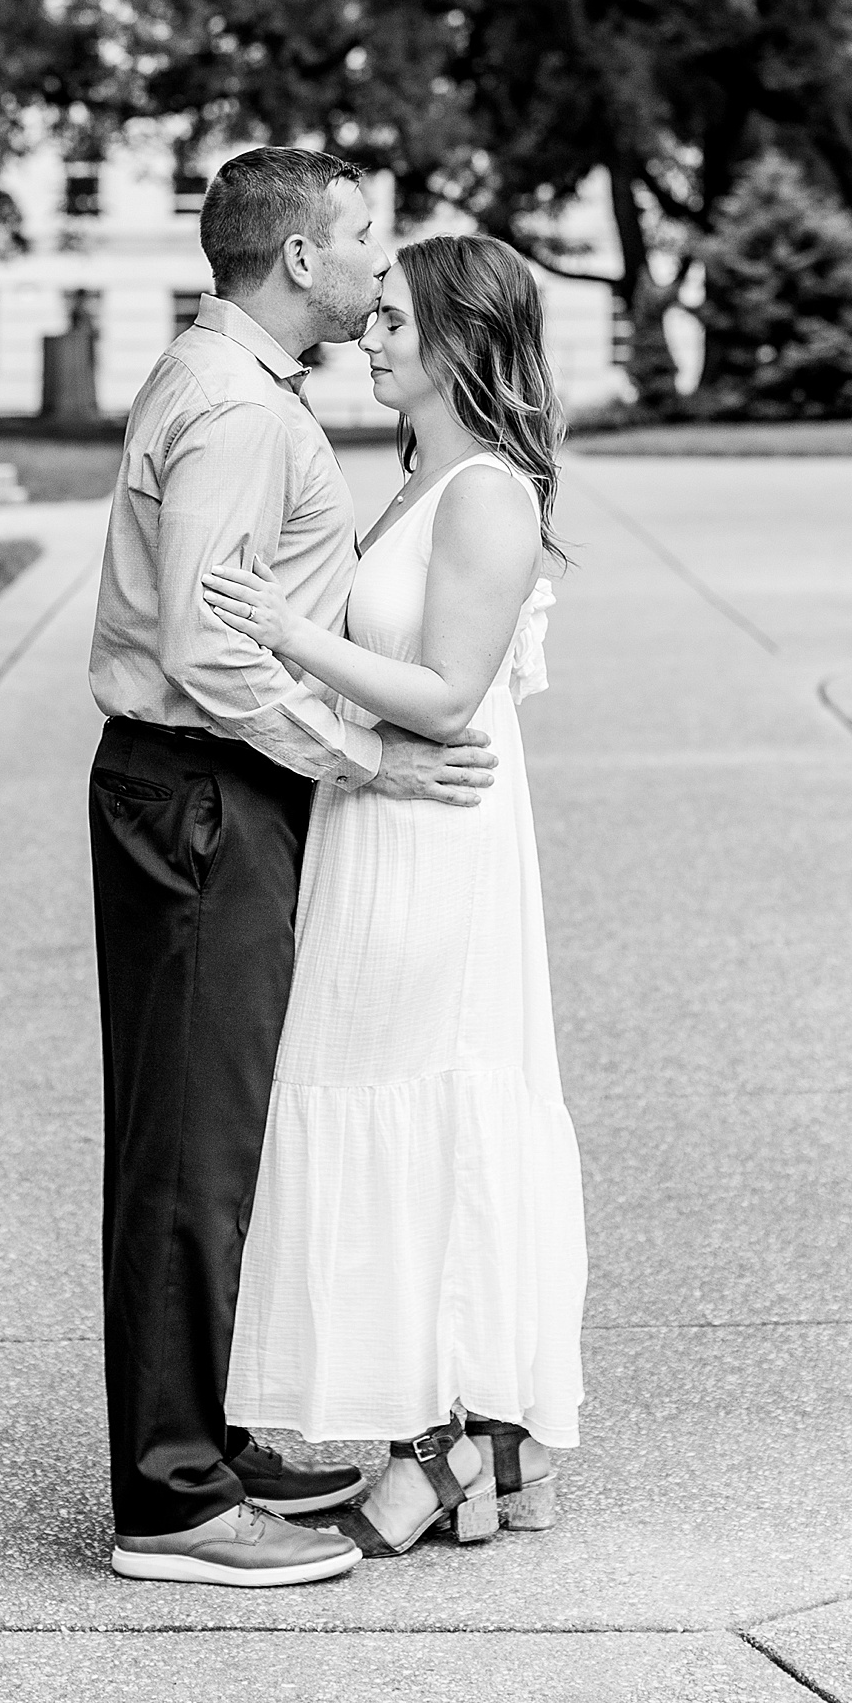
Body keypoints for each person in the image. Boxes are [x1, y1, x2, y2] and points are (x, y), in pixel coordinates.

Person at [86, 149, 501, 1588]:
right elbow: (209, 649)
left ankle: (201, 1438)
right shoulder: (238, 414)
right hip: (203, 789)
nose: (382, 270)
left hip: (197, 790)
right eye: (365, 243)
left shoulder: (223, 386)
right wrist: (366, 761)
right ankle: (176, 1500)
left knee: (203, 1129)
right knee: (189, 1146)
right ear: (299, 258)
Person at [211, 234, 588, 1555]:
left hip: (440, 835)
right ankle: (461, 1441)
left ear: (458, 339)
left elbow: (445, 690)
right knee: (380, 1092)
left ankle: (446, 1443)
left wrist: (283, 628)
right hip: (379, 820)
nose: (367, 336)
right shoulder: (421, 479)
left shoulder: (487, 491)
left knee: (430, 1098)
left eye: (393, 322)